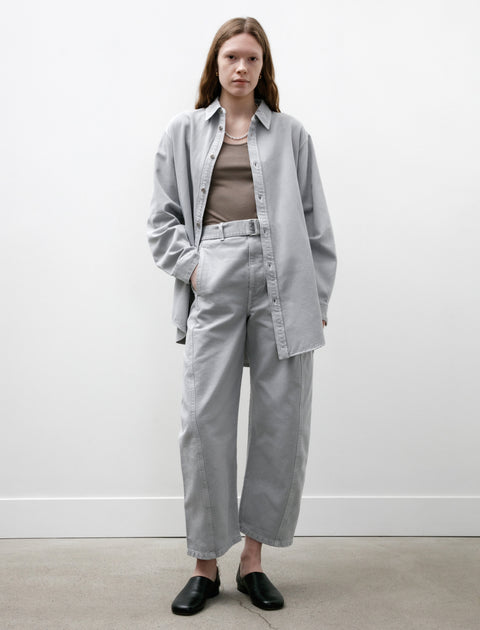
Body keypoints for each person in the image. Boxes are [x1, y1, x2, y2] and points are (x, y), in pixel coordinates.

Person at [147, 16, 337, 616]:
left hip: (286, 281)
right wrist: (198, 270)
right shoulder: (183, 131)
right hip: (216, 275)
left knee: (280, 422)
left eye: (252, 58)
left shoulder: (291, 135)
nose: (241, 67)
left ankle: (253, 560)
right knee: (204, 421)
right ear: (216, 62)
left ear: (263, 66)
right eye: (232, 56)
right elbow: (161, 222)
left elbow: (316, 225)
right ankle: (205, 565)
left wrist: (317, 301)